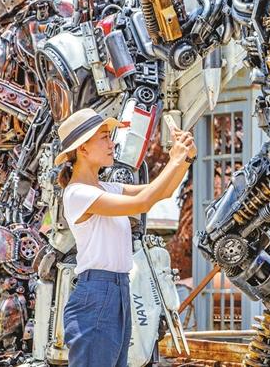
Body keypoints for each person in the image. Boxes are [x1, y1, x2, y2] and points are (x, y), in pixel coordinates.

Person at [54, 108, 196, 366]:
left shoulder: (107, 188)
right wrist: (174, 160)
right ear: (82, 148)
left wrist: (185, 158)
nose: (112, 144)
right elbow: (144, 202)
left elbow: (161, 192)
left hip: (115, 291)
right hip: (96, 294)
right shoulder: (77, 193)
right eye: (104, 138)